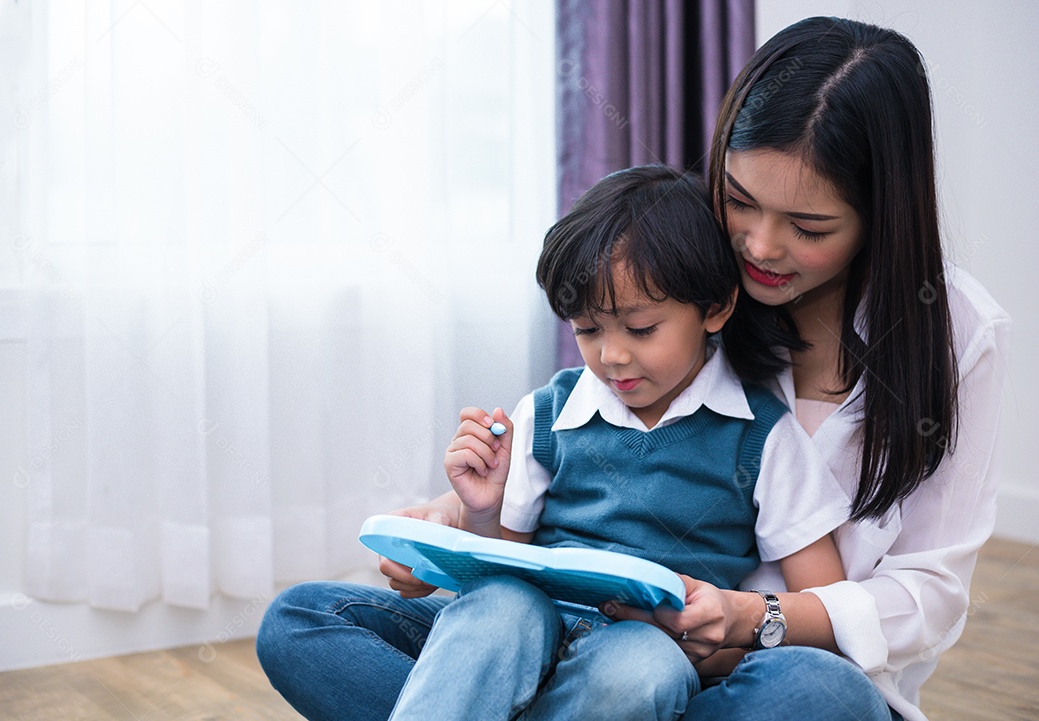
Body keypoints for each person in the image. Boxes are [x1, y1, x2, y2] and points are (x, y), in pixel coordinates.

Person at [259, 15, 1009, 721]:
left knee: (823, 695)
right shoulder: (677, 273)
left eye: (807, 227)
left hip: (743, 669)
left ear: (882, 215)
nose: (758, 247)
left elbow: (924, 595)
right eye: (740, 201)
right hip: (547, 639)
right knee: (303, 620)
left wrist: (751, 617)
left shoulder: (951, 338)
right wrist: (452, 523)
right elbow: (537, 491)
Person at [256, 166, 850, 721]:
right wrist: (479, 512)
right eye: (588, 330)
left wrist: (724, 624)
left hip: (646, 648)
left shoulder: (763, 434)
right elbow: (502, 564)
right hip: (520, 630)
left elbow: (825, 601)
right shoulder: (548, 412)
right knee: (306, 617)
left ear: (715, 308)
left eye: (641, 329)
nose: (611, 356)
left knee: (646, 668)